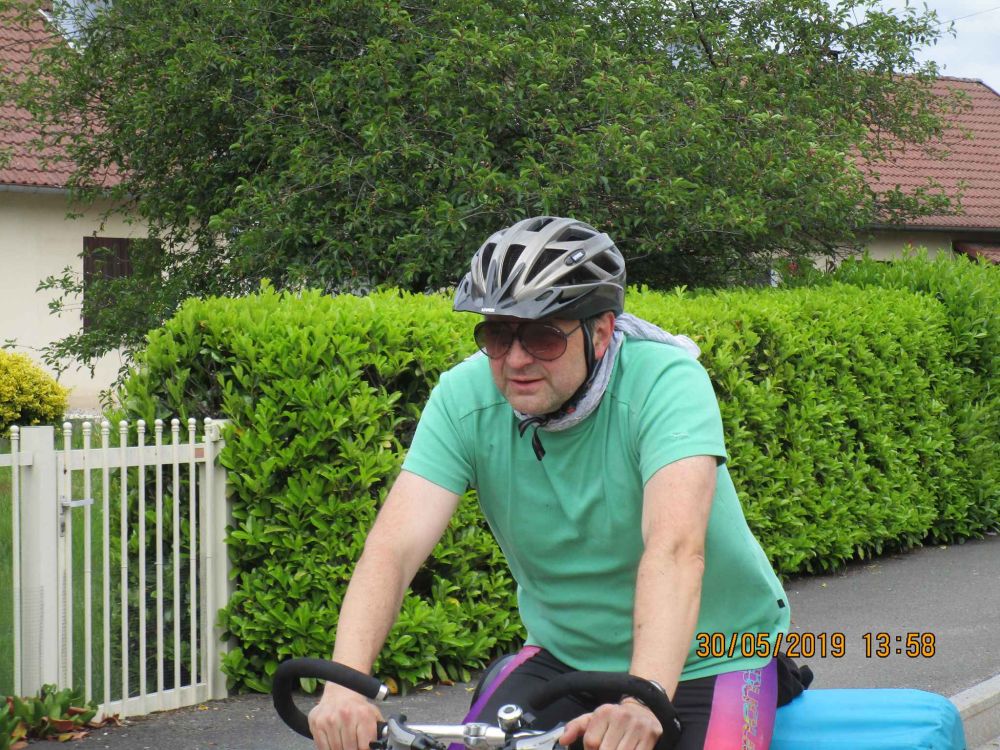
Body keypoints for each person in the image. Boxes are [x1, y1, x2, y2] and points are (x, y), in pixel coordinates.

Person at [308, 216, 791, 750]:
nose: (516, 359)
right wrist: (345, 684)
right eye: (497, 334)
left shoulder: (667, 383)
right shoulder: (464, 398)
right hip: (567, 657)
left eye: (543, 336)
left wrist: (643, 700)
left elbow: (675, 549)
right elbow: (392, 549)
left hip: (718, 655)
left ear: (600, 332)